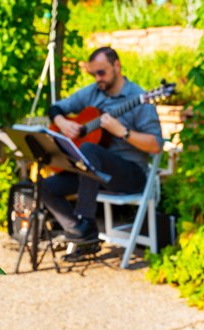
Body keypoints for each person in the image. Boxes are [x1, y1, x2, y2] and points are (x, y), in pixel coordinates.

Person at [43, 47, 163, 242]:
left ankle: (87, 220)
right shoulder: (93, 92)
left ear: (117, 66)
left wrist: (123, 132)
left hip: (130, 174)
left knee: (89, 149)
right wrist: (63, 123)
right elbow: (56, 108)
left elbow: (156, 145)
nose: (98, 78)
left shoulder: (139, 97)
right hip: (95, 175)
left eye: (101, 72)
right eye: (93, 74)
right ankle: (80, 234)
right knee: (46, 187)